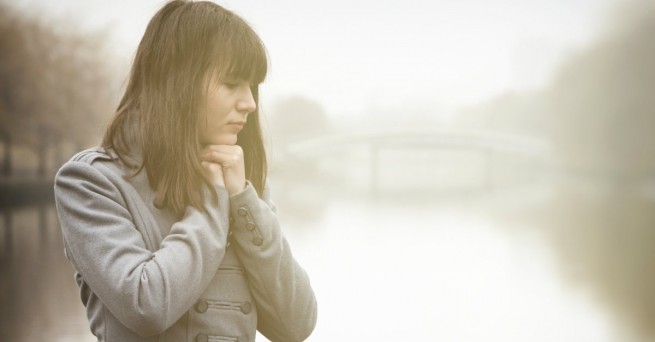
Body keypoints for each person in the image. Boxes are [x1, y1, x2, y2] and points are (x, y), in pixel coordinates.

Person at [53, 1, 317, 341]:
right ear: (178, 82)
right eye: (232, 83)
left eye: (252, 87)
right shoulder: (92, 182)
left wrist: (243, 200)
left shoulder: (243, 187)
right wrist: (213, 200)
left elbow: (297, 325)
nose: (250, 103)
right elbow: (146, 305)